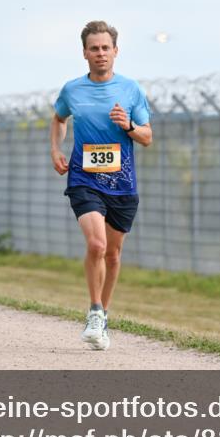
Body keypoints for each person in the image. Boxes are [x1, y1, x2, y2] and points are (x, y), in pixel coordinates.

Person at [50, 21, 153, 350]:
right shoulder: (72, 90)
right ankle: (94, 312)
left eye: (105, 48)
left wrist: (130, 125)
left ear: (116, 51)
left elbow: (148, 137)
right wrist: (56, 149)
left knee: (113, 253)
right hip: (84, 178)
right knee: (96, 245)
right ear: (84, 53)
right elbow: (58, 118)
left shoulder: (130, 89)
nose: (100, 54)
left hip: (121, 181)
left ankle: (103, 314)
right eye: (93, 48)